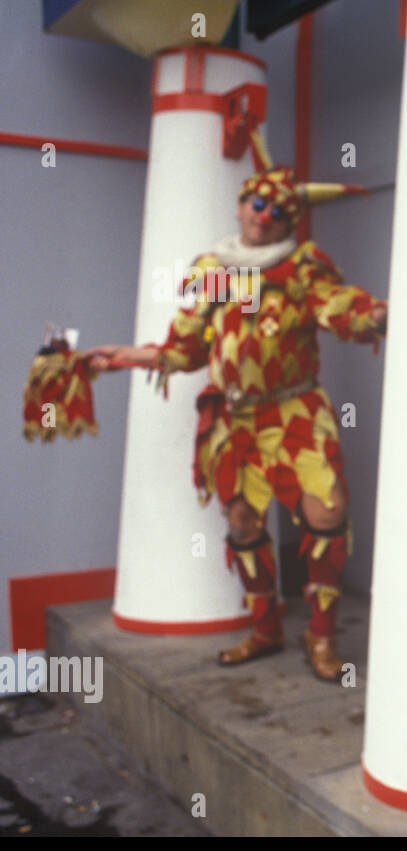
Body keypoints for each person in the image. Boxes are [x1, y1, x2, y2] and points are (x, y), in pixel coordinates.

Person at [88, 147, 387, 681]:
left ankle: (321, 639)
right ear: (239, 206)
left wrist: (375, 315)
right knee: (242, 520)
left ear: (288, 220)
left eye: (274, 209)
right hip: (236, 419)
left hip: (295, 408)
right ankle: (265, 626)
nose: (260, 213)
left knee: (326, 514)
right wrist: (128, 357)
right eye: (253, 201)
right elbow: (186, 347)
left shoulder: (301, 266)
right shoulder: (214, 270)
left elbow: (337, 305)